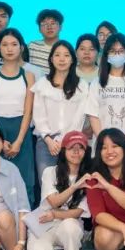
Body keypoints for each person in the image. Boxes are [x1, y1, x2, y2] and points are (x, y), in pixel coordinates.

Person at [0, 28, 38, 208]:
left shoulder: (29, 76)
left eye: (14, 44)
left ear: (21, 48)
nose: (9, 48)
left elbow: (28, 112)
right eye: (5, 45)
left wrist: (19, 141)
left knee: (24, 180)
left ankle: (24, 221)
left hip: (21, 130)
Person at [28, 130, 92, 250]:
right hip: (44, 223)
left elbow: (78, 212)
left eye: (80, 148)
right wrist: (75, 187)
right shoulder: (50, 172)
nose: (76, 152)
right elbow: (54, 201)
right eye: (71, 148)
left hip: (68, 224)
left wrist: (55, 214)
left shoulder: (88, 178)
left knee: (70, 225)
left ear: (86, 152)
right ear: (63, 151)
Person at [32, 40, 88, 178]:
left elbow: (79, 117)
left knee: (71, 183)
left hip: (73, 142)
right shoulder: (42, 83)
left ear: (72, 59)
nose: (62, 59)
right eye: (57, 55)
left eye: (66, 55)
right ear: (51, 59)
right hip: (46, 143)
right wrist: (48, 140)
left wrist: (64, 139)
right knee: (46, 183)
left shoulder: (82, 85)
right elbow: (38, 115)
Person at [87, 33, 125, 157]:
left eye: (121, 51)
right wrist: (104, 141)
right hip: (103, 145)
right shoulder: (97, 83)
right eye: (113, 51)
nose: (117, 54)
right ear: (106, 54)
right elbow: (93, 115)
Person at [28, 9, 63, 75]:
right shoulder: (32, 46)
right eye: (44, 24)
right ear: (39, 29)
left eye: (53, 23)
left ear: (60, 27)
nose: (49, 27)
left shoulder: (66, 50)